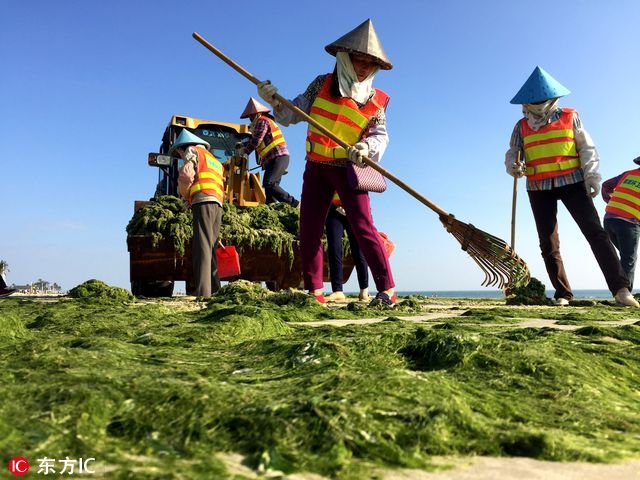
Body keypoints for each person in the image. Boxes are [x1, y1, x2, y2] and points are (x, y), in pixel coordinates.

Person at [256, 19, 396, 307]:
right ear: (345, 56)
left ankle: (387, 290)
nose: (364, 67)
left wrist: (365, 147)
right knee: (308, 227)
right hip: (316, 167)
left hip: (350, 168)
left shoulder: (376, 100)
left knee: (363, 227)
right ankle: (315, 291)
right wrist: (274, 100)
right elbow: (292, 115)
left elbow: (381, 137)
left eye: (371, 63)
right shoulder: (321, 84)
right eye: (359, 58)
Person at [505, 66, 638, 307]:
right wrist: (514, 167)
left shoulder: (569, 116)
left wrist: (592, 177)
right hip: (538, 187)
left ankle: (621, 290)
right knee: (548, 242)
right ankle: (563, 293)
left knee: (595, 233)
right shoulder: (520, 126)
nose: (535, 104)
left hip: (573, 182)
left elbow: (586, 148)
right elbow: (513, 154)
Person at [172, 129, 224, 298]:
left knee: (201, 247)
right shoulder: (213, 159)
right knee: (211, 247)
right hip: (218, 204)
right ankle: (215, 291)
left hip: (203, 201)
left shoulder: (192, 151)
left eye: (179, 154)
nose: (181, 157)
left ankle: (203, 294)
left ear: (181, 149)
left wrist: (185, 196)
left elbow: (186, 175)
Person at [239, 97, 299, 207]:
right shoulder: (266, 121)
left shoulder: (262, 121)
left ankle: (294, 203)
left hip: (278, 156)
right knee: (270, 191)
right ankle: (270, 206)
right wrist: (243, 145)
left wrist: (245, 151)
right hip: (276, 158)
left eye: (251, 117)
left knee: (269, 183)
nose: (251, 120)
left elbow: (256, 140)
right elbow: (256, 141)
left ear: (258, 114)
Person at [601, 156, 640, 291]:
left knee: (625, 258)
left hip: (609, 220)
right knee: (629, 259)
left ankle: (619, 291)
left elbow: (606, 185)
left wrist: (610, 201)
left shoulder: (627, 174)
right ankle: (625, 294)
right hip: (628, 224)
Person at [325, 193, 369, 302]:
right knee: (334, 248)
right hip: (333, 208)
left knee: (358, 251)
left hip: (354, 207)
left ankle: (364, 290)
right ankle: (338, 291)